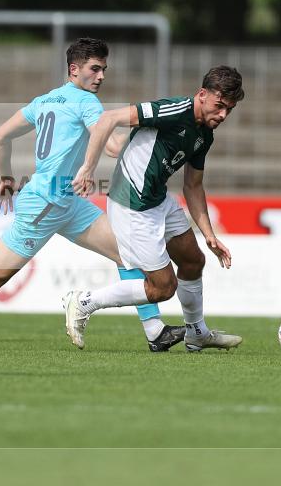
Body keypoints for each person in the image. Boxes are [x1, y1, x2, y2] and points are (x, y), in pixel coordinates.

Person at [0, 38, 186, 352]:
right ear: (74, 69)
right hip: (45, 204)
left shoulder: (45, 101)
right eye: (95, 69)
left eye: (104, 69)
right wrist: (154, 145)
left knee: (127, 251)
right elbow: (110, 146)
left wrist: (5, 176)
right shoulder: (86, 102)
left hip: (67, 202)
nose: (101, 76)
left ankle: (155, 332)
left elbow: (1, 136)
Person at [68, 65, 246, 352]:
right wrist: (88, 168)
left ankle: (196, 333)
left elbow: (193, 186)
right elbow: (108, 118)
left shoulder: (205, 134)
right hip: (132, 204)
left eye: (229, 109)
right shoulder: (174, 110)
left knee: (193, 260)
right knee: (162, 287)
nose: (223, 115)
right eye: (220, 105)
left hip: (158, 200)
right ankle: (84, 302)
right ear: (202, 94)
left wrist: (209, 234)